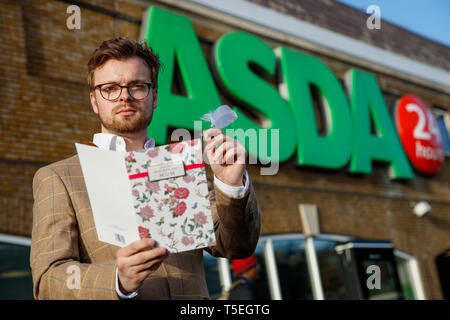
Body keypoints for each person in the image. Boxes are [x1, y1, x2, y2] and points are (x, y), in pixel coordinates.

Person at [30, 37, 261, 300]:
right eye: (110, 88)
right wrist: (118, 280)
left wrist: (230, 186)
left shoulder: (180, 165)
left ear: (154, 97)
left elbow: (235, 246)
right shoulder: (59, 178)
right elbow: (48, 280)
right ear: (94, 101)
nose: (125, 96)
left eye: (137, 86)